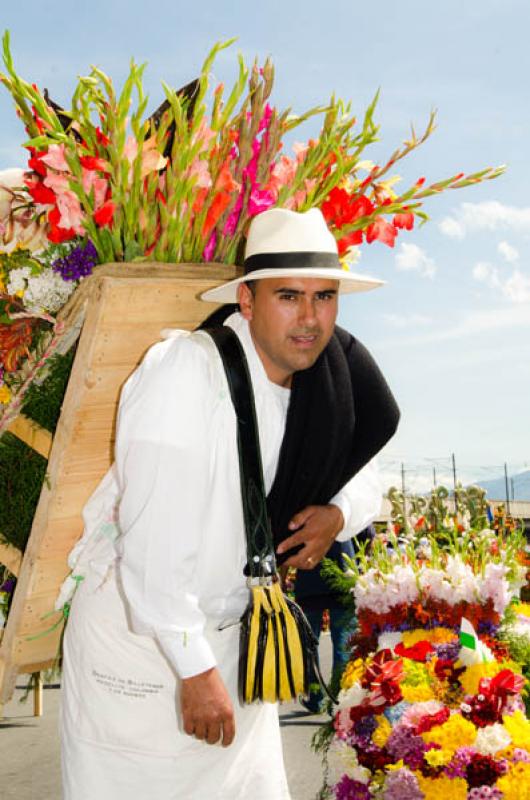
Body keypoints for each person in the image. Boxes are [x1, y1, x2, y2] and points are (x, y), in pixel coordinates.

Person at [59, 207, 399, 799]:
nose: (310, 318)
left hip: (235, 647)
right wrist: (192, 669)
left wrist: (339, 512)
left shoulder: (331, 376)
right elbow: (152, 545)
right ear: (246, 300)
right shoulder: (186, 373)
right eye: (288, 296)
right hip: (144, 650)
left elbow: (370, 470)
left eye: (325, 297)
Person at [294, 525, 375, 714]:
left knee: (307, 645)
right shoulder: (346, 500)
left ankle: (315, 697)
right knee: (343, 645)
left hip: (309, 578)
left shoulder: (302, 501)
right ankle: (339, 700)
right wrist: (357, 561)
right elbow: (368, 534)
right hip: (343, 576)